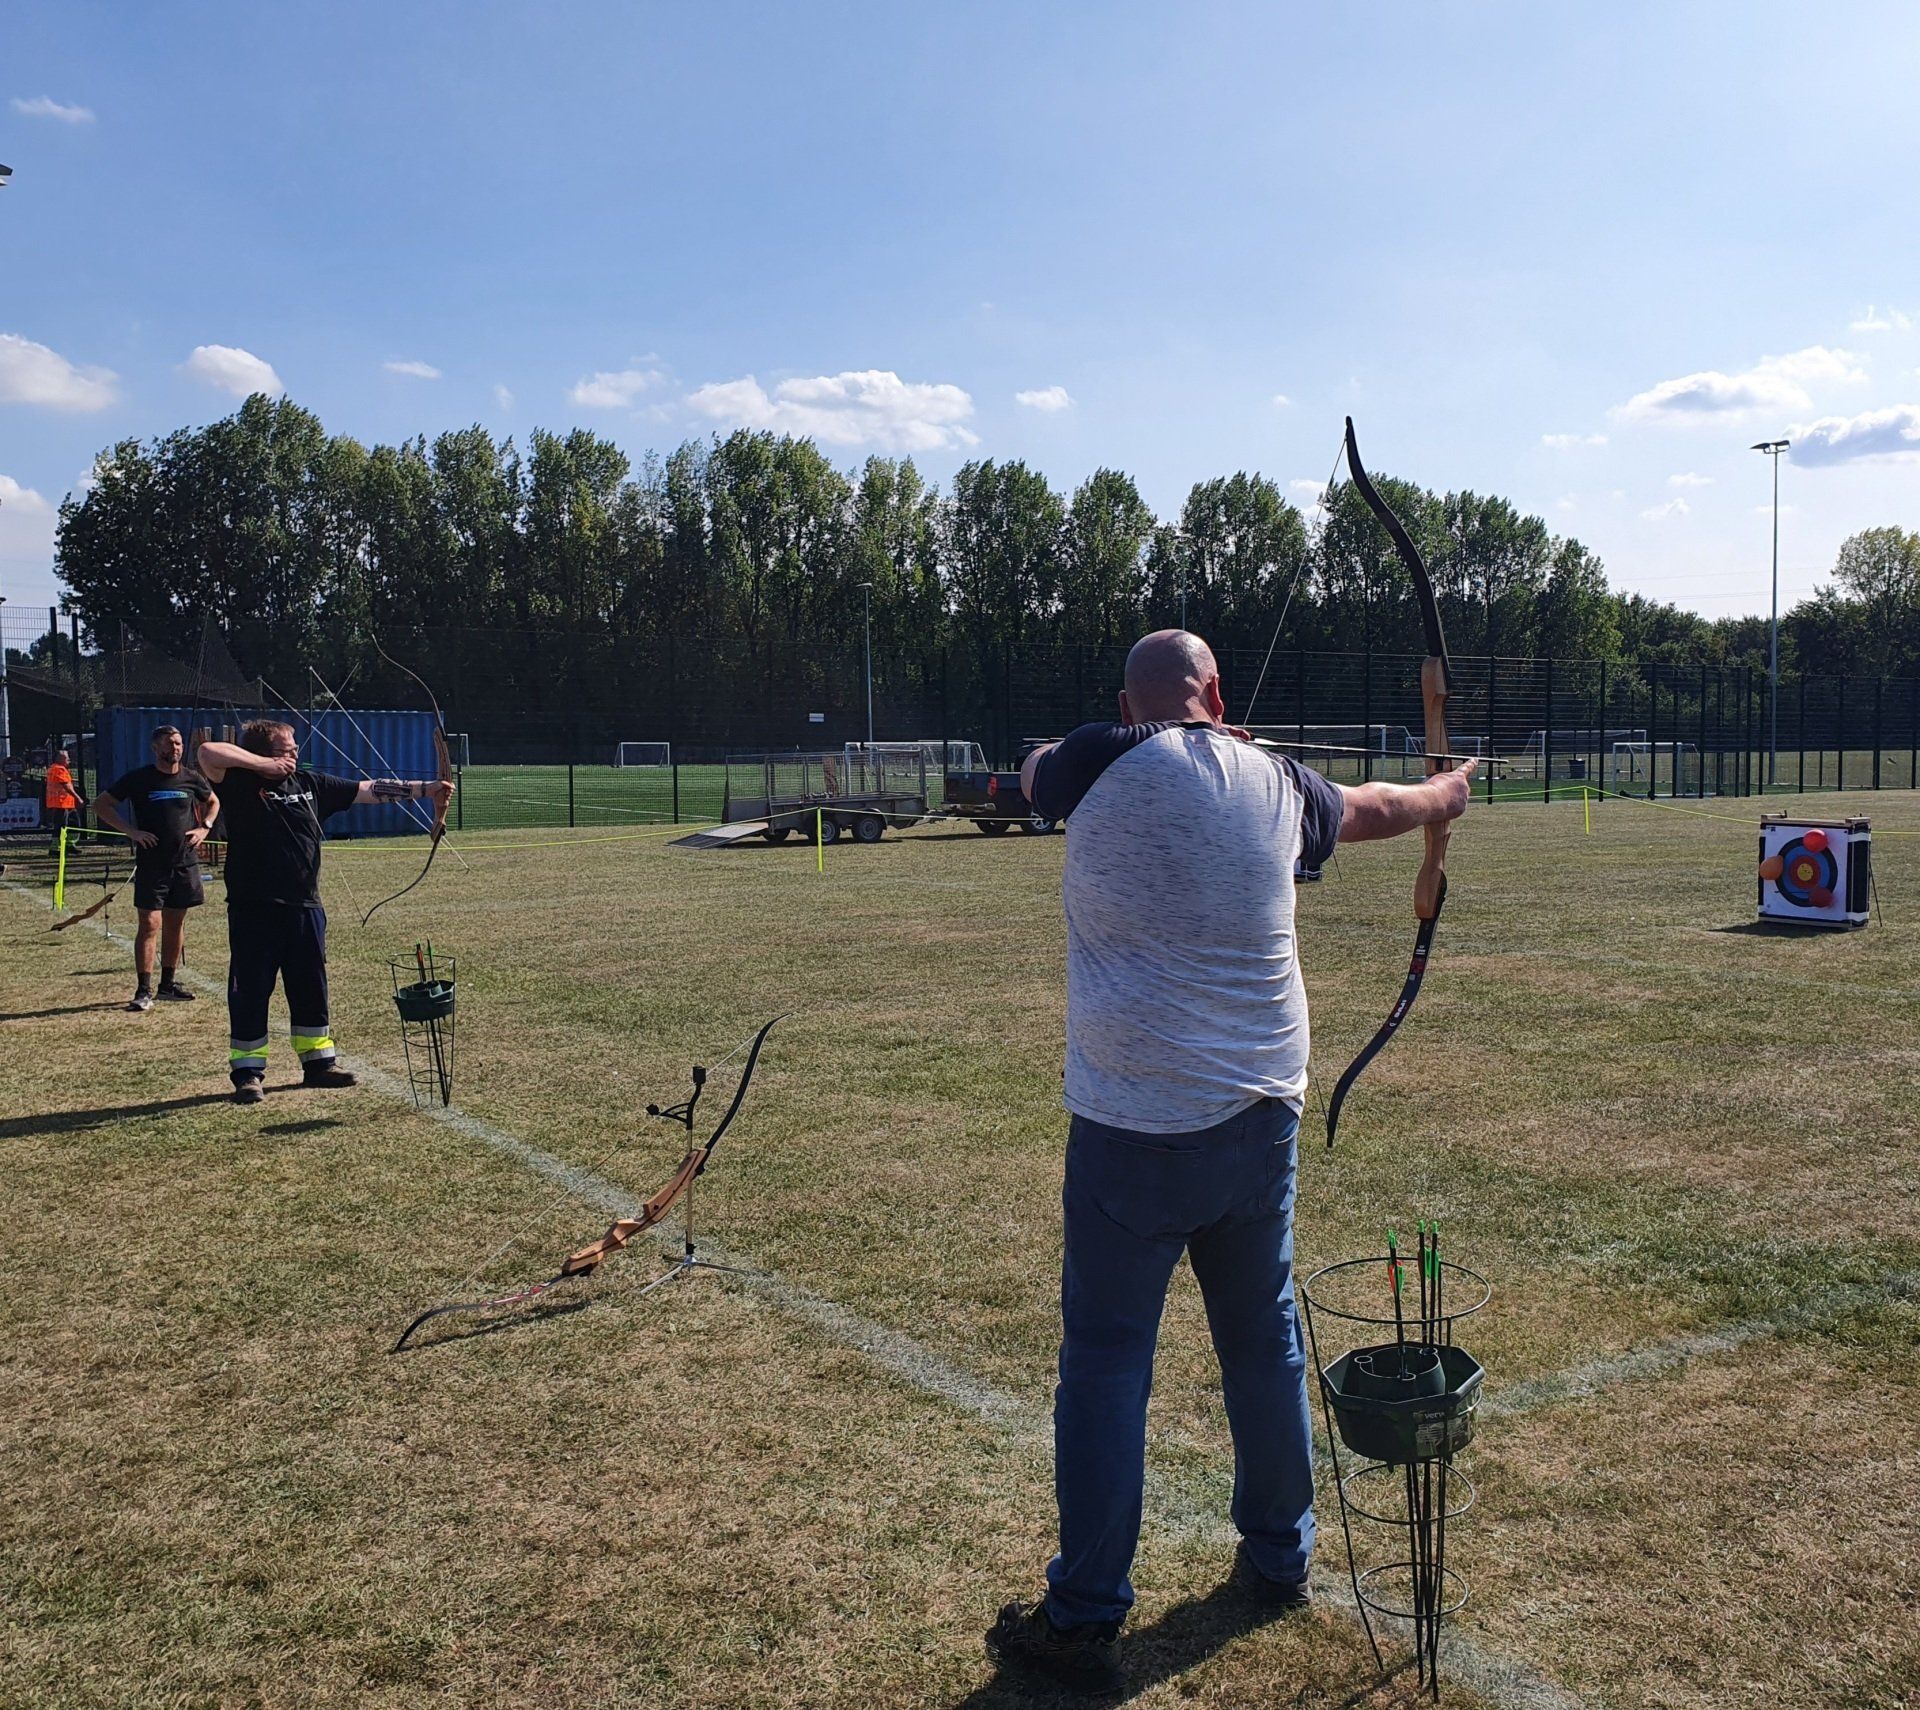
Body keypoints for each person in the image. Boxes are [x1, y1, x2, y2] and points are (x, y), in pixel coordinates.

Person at [984, 629, 1475, 1695]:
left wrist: (1069, 753)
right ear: (1214, 693)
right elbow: (1377, 808)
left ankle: (1085, 1615)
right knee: (1262, 1349)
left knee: (1109, 1364)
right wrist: (1445, 796)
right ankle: (1278, 1556)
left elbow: (1033, 775)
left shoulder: (1096, 756)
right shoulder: (1280, 781)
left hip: (1131, 1134)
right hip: (1258, 1125)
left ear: (1129, 700)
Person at [196, 718, 454, 1107]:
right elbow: (206, 752)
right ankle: (248, 1074)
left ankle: (318, 1064)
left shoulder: (311, 785)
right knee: (250, 989)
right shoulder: (238, 783)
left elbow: (368, 790)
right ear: (264, 752)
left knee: (310, 986)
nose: (296, 753)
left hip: (305, 906)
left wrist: (426, 789)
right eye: (287, 749)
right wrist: (263, 767)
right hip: (254, 908)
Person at [92, 725, 219, 1012]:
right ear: (155, 748)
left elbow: (213, 801)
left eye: (178, 743)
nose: (175, 748)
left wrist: (204, 828)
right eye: (169, 744)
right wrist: (131, 832)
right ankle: (143, 989)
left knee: (176, 923)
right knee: (149, 924)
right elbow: (101, 805)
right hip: (152, 864)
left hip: (184, 863)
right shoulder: (139, 779)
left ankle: (168, 985)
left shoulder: (191, 778)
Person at [42, 748, 84, 856]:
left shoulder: (57, 769)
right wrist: (78, 797)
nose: (69, 759)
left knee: (73, 823)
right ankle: (56, 848)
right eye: (66, 757)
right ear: (59, 758)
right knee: (61, 826)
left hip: (66, 803)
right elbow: (65, 786)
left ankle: (69, 844)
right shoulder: (58, 769)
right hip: (60, 803)